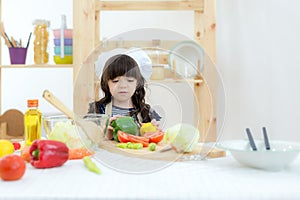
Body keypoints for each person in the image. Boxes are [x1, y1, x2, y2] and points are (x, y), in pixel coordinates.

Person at [89, 54, 161, 139]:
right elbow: (84, 140)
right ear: (106, 83)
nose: (123, 86)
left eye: (130, 80)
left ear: (137, 83)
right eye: (115, 81)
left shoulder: (147, 112)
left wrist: (154, 133)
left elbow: (156, 140)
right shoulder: (95, 110)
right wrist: (103, 134)